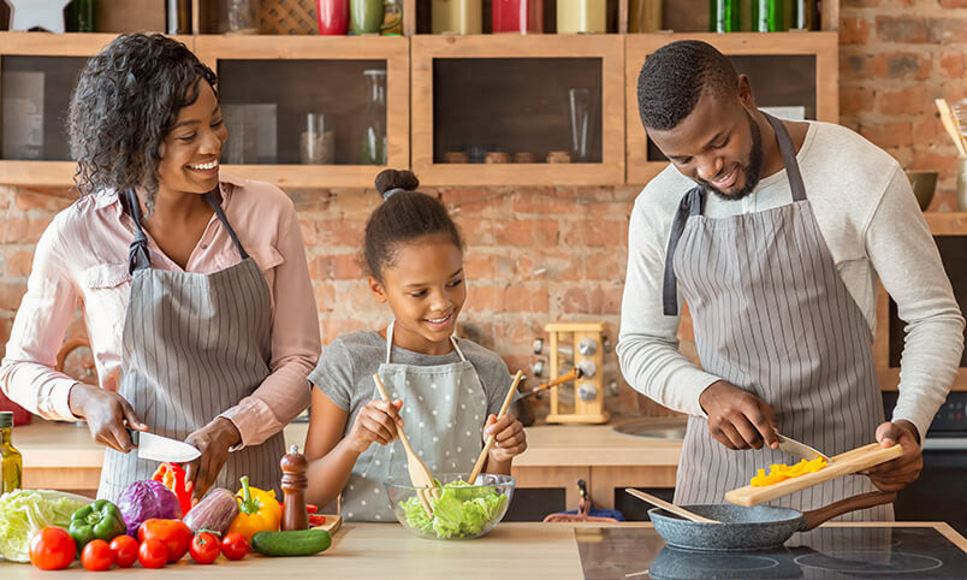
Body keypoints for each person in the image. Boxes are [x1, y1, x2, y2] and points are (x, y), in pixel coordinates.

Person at [617, 40, 965, 517]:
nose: (708, 170)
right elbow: (639, 344)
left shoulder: (856, 171)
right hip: (717, 497)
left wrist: (910, 420)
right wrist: (706, 393)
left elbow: (934, 317)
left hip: (845, 485)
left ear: (745, 94)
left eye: (718, 143)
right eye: (683, 159)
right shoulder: (659, 206)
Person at [0, 34, 320, 501]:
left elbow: (300, 361)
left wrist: (233, 427)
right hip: (137, 501)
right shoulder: (77, 234)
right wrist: (83, 399)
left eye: (216, 123)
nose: (213, 144)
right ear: (134, 146)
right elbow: (19, 367)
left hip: (255, 499)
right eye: (188, 136)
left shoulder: (266, 212)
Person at [304, 169, 526, 521]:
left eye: (454, 282)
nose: (442, 303)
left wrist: (501, 454)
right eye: (419, 292)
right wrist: (354, 443)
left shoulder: (489, 370)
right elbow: (307, 494)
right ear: (379, 289)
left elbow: (490, 503)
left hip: (460, 559)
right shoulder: (349, 360)